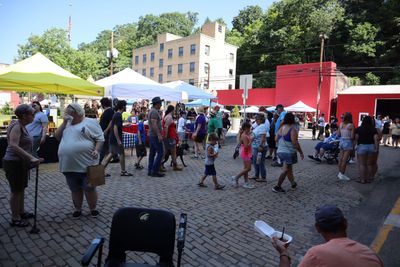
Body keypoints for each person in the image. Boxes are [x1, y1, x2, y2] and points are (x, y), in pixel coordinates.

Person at [272, 204, 383, 267]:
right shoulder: (370, 255)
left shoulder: (316, 254)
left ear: (317, 228)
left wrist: (283, 253)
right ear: (345, 223)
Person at [55, 103, 104, 218]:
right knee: (74, 189)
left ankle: (93, 209)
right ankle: (78, 209)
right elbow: (57, 137)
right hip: (68, 164)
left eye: (68, 112)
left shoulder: (90, 122)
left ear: (75, 112)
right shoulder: (66, 124)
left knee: (89, 188)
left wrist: (97, 150)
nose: (66, 114)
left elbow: (100, 138)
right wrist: (63, 122)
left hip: (87, 163)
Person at [3, 104, 42, 227]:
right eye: (32, 114)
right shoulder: (16, 126)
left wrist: (32, 159)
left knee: (21, 189)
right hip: (14, 163)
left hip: (20, 163)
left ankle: (21, 212)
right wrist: (31, 158)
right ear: (24, 116)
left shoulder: (21, 125)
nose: (34, 117)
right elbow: (13, 146)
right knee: (16, 191)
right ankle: (15, 218)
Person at [272, 113, 304, 193]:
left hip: (280, 152)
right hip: (288, 153)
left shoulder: (281, 128)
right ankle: (277, 186)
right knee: (286, 170)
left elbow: (276, 139)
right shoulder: (292, 130)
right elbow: (295, 143)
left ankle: (293, 184)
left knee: (289, 169)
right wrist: (301, 152)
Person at [102, 100, 133, 176]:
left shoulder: (116, 114)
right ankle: (123, 171)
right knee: (121, 154)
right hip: (116, 139)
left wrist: (124, 125)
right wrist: (118, 140)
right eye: (125, 105)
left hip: (113, 138)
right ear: (122, 106)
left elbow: (116, 126)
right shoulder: (118, 115)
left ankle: (101, 171)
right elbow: (115, 128)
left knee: (111, 154)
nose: (126, 107)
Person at [355, 116, 379, 184]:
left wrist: (355, 147)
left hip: (361, 147)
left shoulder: (359, 129)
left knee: (362, 164)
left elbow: (356, 138)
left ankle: (362, 180)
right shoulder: (373, 129)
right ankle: (369, 179)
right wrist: (376, 148)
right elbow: (376, 139)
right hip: (371, 147)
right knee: (369, 164)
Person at [231, 122, 255, 189]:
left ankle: (246, 182)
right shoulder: (244, 135)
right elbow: (246, 146)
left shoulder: (245, 134)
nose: (250, 130)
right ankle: (236, 177)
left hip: (246, 152)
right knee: (248, 168)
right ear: (245, 128)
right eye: (249, 128)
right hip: (246, 152)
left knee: (246, 169)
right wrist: (251, 141)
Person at [147, 97, 165, 177]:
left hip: (152, 135)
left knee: (152, 153)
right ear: (157, 104)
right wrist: (158, 134)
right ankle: (154, 171)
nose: (161, 105)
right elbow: (154, 124)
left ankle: (150, 170)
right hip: (155, 136)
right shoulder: (154, 112)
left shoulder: (152, 111)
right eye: (160, 104)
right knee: (161, 153)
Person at [162, 105, 183, 171]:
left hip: (170, 137)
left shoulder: (167, 116)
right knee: (170, 152)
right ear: (172, 110)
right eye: (174, 110)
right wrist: (166, 136)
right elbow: (166, 126)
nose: (174, 111)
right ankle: (161, 164)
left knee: (171, 152)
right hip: (170, 137)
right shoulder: (169, 117)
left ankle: (174, 165)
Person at [251, 113, 269, 182]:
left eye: (257, 119)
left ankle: (263, 177)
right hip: (257, 147)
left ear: (260, 120)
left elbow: (263, 137)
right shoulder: (260, 126)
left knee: (260, 162)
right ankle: (256, 175)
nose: (256, 120)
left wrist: (261, 146)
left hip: (260, 147)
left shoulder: (262, 126)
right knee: (256, 162)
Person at [337, 112, 355, 181]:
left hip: (341, 141)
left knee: (340, 158)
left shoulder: (341, 124)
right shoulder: (351, 125)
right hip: (348, 142)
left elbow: (338, 134)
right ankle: (342, 174)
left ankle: (339, 173)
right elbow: (352, 136)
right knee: (345, 160)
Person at [99, 97, 114, 163]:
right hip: (104, 132)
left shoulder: (110, 111)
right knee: (104, 149)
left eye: (101, 103)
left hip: (106, 133)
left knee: (103, 149)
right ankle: (99, 163)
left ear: (103, 104)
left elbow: (111, 121)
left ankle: (98, 163)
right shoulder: (107, 110)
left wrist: (106, 130)